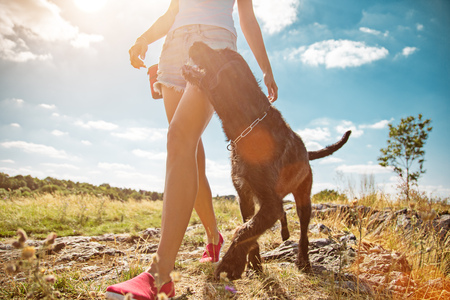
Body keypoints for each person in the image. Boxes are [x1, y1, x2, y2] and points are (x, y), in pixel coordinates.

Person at [106, 0, 277, 299]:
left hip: (214, 44)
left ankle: (159, 275)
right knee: (188, 148)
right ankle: (214, 238)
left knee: (179, 137)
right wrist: (143, 39)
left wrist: (266, 68)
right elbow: (172, 12)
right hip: (172, 50)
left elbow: (247, 15)